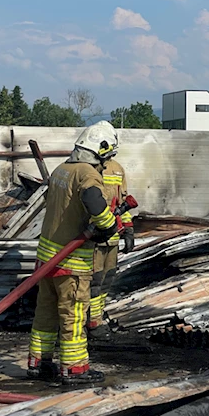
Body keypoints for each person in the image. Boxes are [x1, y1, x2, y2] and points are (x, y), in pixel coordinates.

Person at [27, 122, 120, 385]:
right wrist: (108, 225)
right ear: (100, 152)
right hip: (72, 264)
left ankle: (39, 363)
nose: (107, 164)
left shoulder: (61, 170)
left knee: (45, 312)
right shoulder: (86, 174)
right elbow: (93, 200)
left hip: (46, 260)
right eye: (107, 157)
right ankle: (75, 368)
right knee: (73, 314)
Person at [88, 129, 135, 336]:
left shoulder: (117, 169)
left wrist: (129, 230)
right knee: (93, 281)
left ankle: (96, 319)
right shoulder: (89, 169)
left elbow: (123, 203)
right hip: (93, 238)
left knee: (107, 278)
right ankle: (88, 320)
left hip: (113, 237)